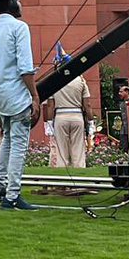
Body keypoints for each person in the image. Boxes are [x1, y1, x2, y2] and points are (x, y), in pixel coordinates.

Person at [0, 0, 39, 210]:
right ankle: (12, 194)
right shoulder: (19, 28)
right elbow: (25, 68)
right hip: (16, 95)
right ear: (14, 4)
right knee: (18, 144)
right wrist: (35, 96)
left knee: (8, 139)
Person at [43, 42, 95, 170]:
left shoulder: (54, 82)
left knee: (61, 152)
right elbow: (87, 104)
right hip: (77, 115)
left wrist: (48, 123)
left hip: (60, 116)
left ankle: (63, 180)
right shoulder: (81, 80)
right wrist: (91, 121)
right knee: (78, 150)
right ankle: (80, 177)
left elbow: (50, 105)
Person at [117, 84, 129, 152]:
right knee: (123, 145)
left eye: (121, 91)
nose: (119, 93)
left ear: (127, 92)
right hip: (124, 127)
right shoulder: (122, 103)